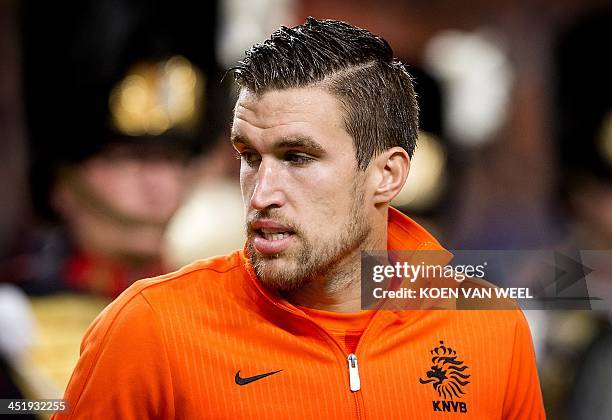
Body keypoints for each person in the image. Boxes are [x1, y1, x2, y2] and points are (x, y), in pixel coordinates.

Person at [54, 18, 545, 419]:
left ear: (388, 175)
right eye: (249, 157)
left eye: (297, 157)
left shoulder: (491, 327)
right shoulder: (148, 328)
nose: (262, 193)